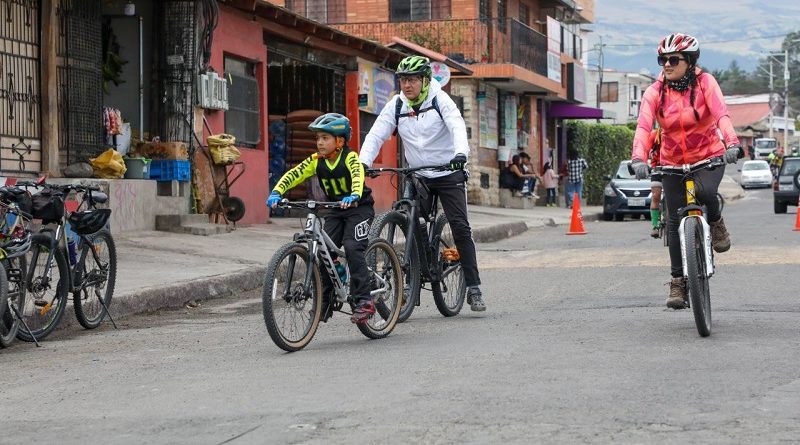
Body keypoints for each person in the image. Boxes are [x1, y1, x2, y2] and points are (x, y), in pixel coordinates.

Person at [359, 55, 486, 312]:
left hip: (448, 171)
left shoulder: (440, 100)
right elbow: (376, 133)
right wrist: (362, 162)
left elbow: (456, 125)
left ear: (426, 80)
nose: (407, 85)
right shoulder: (397, 105)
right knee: (408, 216)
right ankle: (412, 276)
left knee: (460, 226)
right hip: (417, 173)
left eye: (413, 80)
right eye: (403, 80)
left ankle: (473, 287)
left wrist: (460, 154)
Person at [630, 33, 742, 310]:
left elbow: (721, 115)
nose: (666, 65)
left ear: (689, 62)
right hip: (671, 160)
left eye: (673, 60)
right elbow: (644, 127)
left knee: (705, 191)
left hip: (708, 155)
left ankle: (715, 221)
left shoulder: (706, 82)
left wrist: (733, 143)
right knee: (673, 218)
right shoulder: (655, 91)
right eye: (662, 60)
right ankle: (678, 280)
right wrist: (638, 158)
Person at [266, 113, 377, 324]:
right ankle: (325, 301)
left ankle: (364, 300)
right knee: (324, 253)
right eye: (317, 138)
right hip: (335, 209)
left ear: (340, 141)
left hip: (358, 207)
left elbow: (357, 174)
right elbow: (295, 173)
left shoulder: (349, 157)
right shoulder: (317, 161)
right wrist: (277, 192)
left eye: (325, 138)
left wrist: (354, 194)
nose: (319, 143)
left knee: (352, 247)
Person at [647, 127, 664, 238]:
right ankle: (655, 225)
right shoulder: (654, 135)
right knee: (656, 196)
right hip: (658, 167)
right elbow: (645, 148)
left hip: (674, 167)